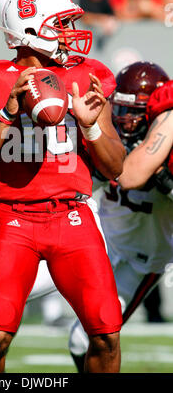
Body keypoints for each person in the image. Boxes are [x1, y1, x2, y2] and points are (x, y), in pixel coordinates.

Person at [0, 0, 126, 373]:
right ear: (31, 31)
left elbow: (115, 167)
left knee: (105, 336)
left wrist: (90, 127)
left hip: (73, 216)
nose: (69, 32)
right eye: (61, 23)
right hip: (15, 219)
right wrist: (8, 113)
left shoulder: (89, 76)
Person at [69, 62, 173, 372]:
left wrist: (167, 183)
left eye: (136, 111)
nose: (126, 119)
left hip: (143, 258)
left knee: (84, 338)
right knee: (78, 340)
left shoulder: (165, 145)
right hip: (104, 243)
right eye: (122, 109)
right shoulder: (110, 136)